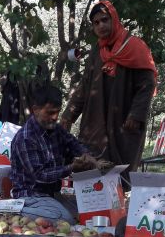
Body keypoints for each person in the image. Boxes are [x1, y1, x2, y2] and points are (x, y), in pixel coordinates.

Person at [61, 0, 157, 176]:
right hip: (95, 120)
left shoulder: (135, 46)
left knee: (121, 173)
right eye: (96, 23)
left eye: (105, 19)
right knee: (91, 169)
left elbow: (147, 84)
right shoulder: (97, 51)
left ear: (114, 19)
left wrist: (136, 114)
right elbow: (85, 85)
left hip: (124, 121)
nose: (101, 25)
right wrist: (69, 115)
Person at [10, 82, 102, 223]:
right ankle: (12, 210)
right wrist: (71, 168)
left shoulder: (55, 129)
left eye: (57, 112)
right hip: (31, 196)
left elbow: (74, 143)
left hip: (52, 194)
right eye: (50, 112)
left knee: (91, 211)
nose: (55, 117)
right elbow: (40, 175)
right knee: (65, 220)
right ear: (35, 110)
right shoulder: (25, 138)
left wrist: (88, 158)